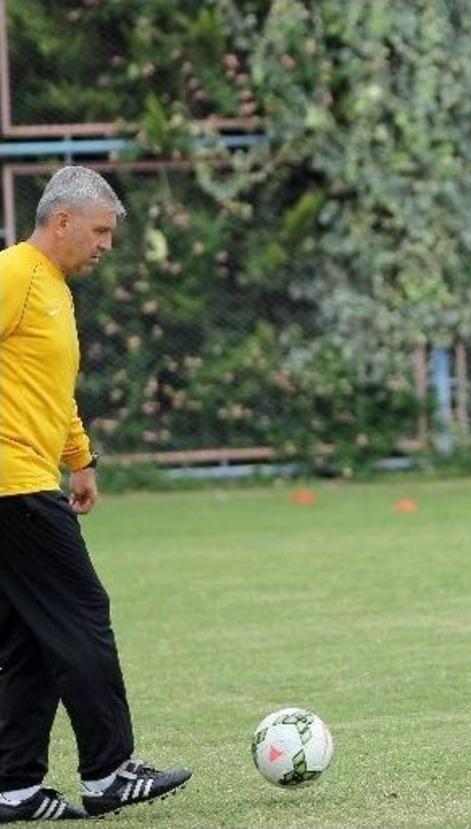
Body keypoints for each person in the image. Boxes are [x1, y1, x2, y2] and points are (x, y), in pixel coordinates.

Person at [0, 166, 192, 822]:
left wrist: (81, 459)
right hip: (12, 486)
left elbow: (51, 392)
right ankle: (110, 770)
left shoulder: (52, 288)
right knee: (83, 612)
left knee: (29, 633)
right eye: (100, 230)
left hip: (29, 479)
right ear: (62, 221)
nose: (107, 243)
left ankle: (15, 787)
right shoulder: (16, 273)